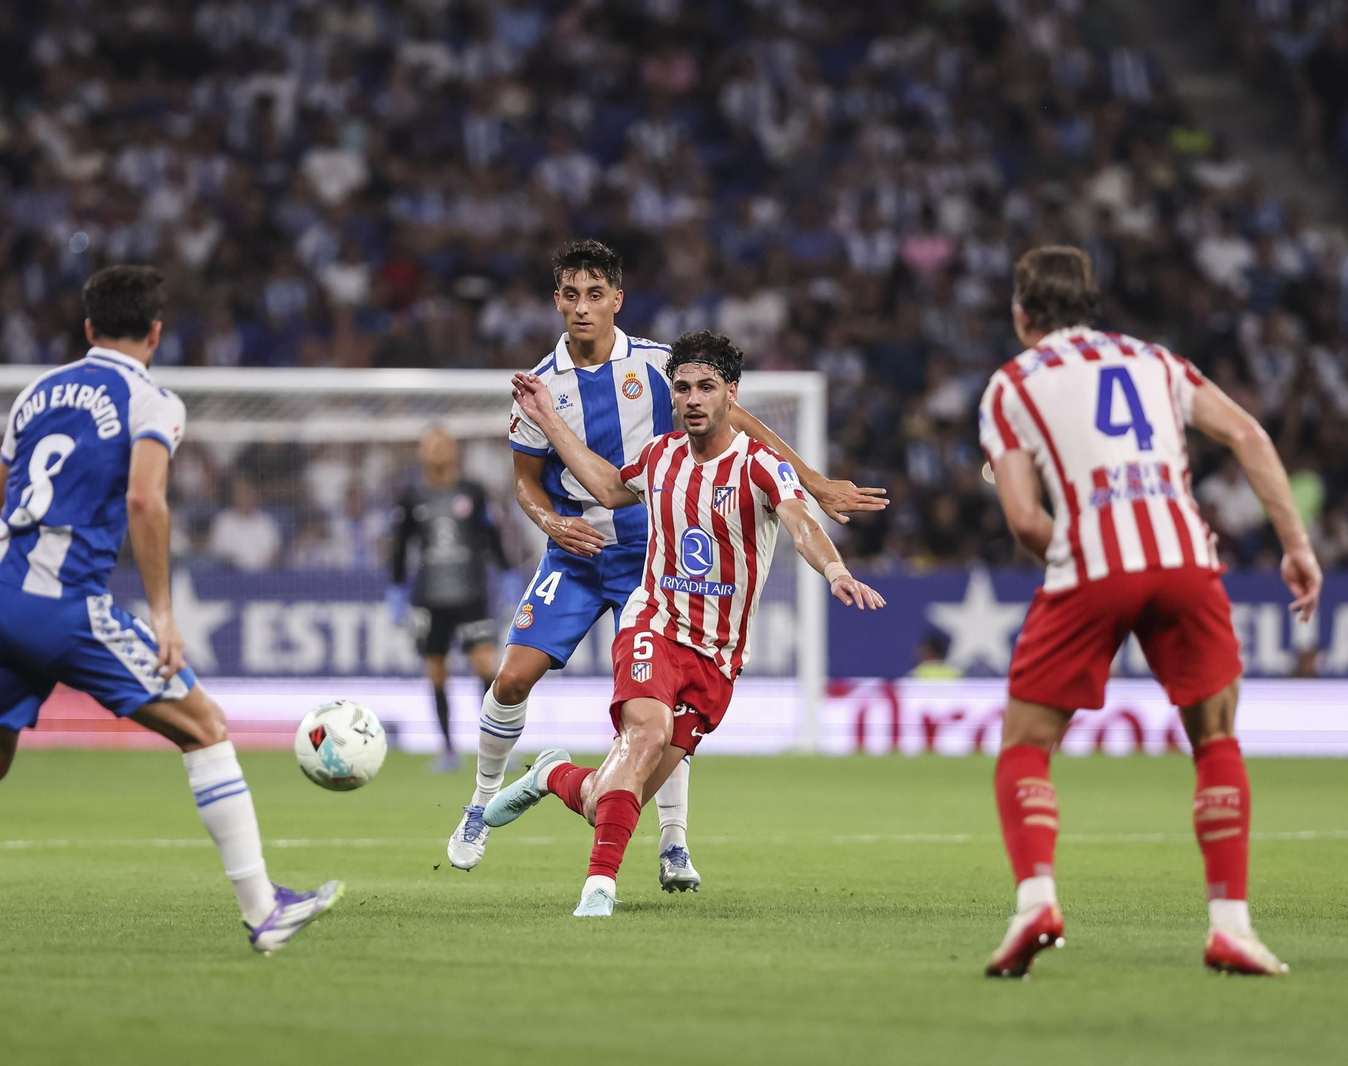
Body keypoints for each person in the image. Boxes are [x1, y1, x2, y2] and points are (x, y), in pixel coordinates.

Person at [0, 266, 340, 960]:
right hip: (59, 603)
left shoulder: (35, 394)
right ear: (156, 333)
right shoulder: (152, 400)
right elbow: (145, 499)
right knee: (205, 727)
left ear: (87, 329)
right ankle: (264, 910)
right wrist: (164, 614)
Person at [446, 240, 888, 884]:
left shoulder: (659, 367)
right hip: (575, 551)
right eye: (570, 294)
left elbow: (741, 423)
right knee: (511, 678)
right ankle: (480, 806)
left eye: (595, 294)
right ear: (556, 301)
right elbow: (525, 482)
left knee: (661, 699)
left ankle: (673, 842)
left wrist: (814, 485)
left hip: (653, 551)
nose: (582, 308)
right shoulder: (538, 388)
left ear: (617, 299)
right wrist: (549, 522)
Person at [977, 246, 1322, 978]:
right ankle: (1231, 926)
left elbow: (1024, 521)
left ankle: (1037, 901)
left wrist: (1073, 557)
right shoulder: (1156, 361)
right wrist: (1296, 546)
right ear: (1091, 306)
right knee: (1215, 736)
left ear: (1022, 315)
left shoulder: (1010, 386)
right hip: (1183, 557)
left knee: (1026, 744)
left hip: (1091, 564)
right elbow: (1249, 436)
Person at [388, 426, 509, 773]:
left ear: (453, 450)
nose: (437, 451)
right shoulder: (412, 495)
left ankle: (496, 749)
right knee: (436, 672)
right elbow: (400, 546)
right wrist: (396, 589)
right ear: (422, 453)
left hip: (471, 593)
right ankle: (448, 750)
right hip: (430, 598)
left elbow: (491, 536)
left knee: (486, 667)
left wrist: (507, 573)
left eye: (443, 444)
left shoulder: (473, 491)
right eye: (430, 445)